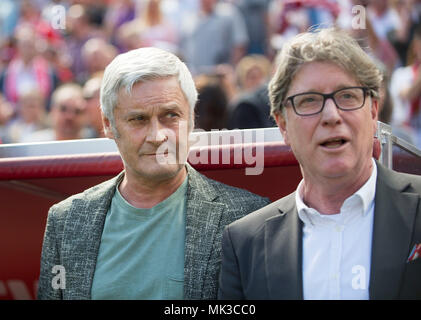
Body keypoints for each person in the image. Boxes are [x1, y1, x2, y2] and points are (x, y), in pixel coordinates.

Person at [37, 47, 269, 300]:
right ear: (108, 125)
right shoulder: (66, 222)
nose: (158, 136)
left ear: (191, 118)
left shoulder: (248, 218)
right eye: (138, 119)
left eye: (171, 115)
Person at [218, 28, 421, 300]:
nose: (331, 116)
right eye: (309, 100)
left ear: (373, 111)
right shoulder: (245, 244)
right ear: (283, 126)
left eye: (347, 96)